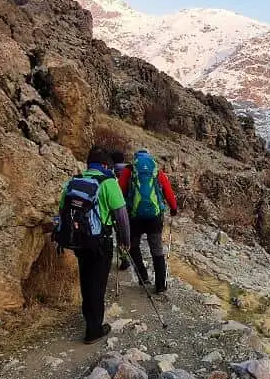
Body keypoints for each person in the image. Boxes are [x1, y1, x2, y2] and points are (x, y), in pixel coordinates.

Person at [54, 146, 130, 343]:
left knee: (86, 280)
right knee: (98, 283)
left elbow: (62, 209)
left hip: (78, 240)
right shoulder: (108, 182)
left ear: (89, 165)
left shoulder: (74, 182)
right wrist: (125, 241)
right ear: (105, 165)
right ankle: (93, 329)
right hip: (100, 241)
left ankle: (90, 318)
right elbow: (121, 214)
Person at [126, 149, 178, 293]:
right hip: (154, 218)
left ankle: (143, 277)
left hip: (135, 217)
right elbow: (168, 191)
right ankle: (160, 285)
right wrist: (173, 209)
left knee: (133, 245)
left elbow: (121, 190)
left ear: (135, 159)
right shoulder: (156, 172)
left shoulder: (129, 171)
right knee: (156, 249)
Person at [111, 151, 134, 271]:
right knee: (130, 232)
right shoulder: (131, 170)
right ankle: (133, 255)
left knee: (120, 235)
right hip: (132, 208)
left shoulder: (112, 173)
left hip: (119, 208)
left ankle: (125, 258)